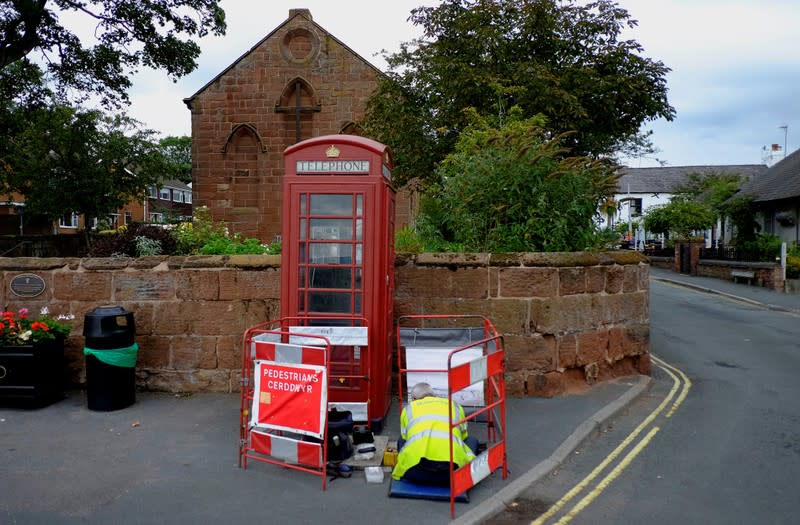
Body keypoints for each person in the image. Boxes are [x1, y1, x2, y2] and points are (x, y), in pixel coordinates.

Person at [391, 382, 480, 487]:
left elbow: (405, 437)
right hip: (454, 474)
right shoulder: (455, 406)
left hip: (415, 472)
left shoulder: (408, 409)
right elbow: (464, 436)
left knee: (402, 440)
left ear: (414, 399)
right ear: (434, 395)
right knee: (472, 440)